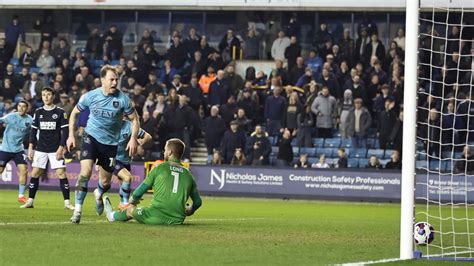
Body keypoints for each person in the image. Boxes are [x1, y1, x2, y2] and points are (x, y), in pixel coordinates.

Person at [66, 65, 139, 224]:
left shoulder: (123, 100)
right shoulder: (90, 96)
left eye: (116, 80)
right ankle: (77, 210)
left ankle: (98, 194)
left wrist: (133, 138)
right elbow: (74, 113)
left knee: (105, 183)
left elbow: (135, 119)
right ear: (102, 80)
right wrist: (71, 135)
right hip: (91, 138)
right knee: (85, 173)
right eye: (111, 79)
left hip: (110, 145)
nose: (114, 83)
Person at [103, 138, 202, 225]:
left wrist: (132, 201)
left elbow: (139, 192)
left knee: (130, 211)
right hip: (177, 220)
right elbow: (197, 202)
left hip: (155, 216)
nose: (164, 152)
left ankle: (111, 216)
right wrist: (189, 210)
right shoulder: (188, 174)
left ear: (170, 152)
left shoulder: (160, 167)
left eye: (165, 150)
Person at [20, 87, 74, 210]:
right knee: (35, 173)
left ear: (53, 96)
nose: (46, 97)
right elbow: (33, 132)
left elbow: (64, 132)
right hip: (41, 149)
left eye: (48, 95)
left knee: (61, 173)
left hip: (56, 149)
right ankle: (30, 201)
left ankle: (67, 203)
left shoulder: (60, 112)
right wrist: (30, 147)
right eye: (44, 95)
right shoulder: (38, 112)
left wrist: (61, 147)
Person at [114, 119, 152, 209]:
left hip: (126, 160)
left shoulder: (130, 126)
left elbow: (148, 136)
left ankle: (122, 203)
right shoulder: (109, 124)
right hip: (114, 159)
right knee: (127, 178)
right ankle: (126, 204)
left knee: (123, 183)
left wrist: (141, 141)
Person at [0, 101, 32, 202]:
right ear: (17, 107)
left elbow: (36, 131)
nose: (21, 108)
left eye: (23, 107)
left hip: (19, 150)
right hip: (5, 149)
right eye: (19, 106)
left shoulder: (30, 120)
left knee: (24, 170)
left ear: (27, 109)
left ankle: (21, 196)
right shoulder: (11, 117)